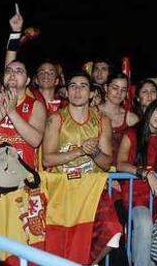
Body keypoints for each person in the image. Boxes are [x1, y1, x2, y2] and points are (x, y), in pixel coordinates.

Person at [42, 70, 121, 264]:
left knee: (113, 231)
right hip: (62, 189)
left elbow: (106, 163)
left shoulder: (103, 121)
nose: (77, 91)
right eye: (73, 86)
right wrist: (79, 151)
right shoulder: (55, 119)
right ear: (67, 92)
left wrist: (93, 152)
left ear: (92, 93)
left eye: (83, 86)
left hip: (90, 190)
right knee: (61, 243)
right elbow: (47, 160)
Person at [117, 97, 157, 266]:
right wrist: (146, 174)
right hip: (137, 198)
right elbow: (120, 163)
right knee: (144, 224)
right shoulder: (132, 133)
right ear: (149, 110)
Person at [0, 60, 46, 170]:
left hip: (22, 173)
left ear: (27, 80)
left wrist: (12, 112)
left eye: (19, 71)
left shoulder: (36, 105)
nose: (12, 74)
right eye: (8, 71)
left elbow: (35, 140)